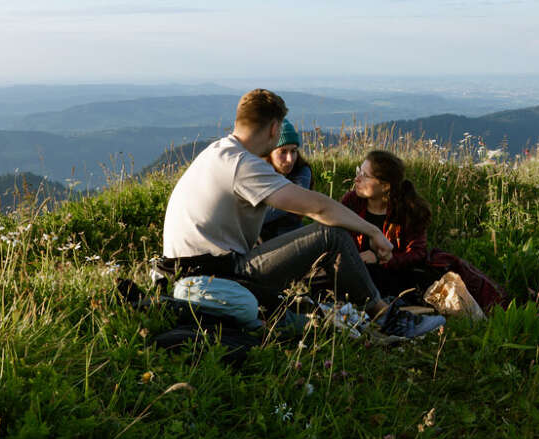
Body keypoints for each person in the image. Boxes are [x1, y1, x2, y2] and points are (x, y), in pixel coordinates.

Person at [160, 88, 444, 338]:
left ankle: (360, 307)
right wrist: (371, 231)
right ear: (274, 128)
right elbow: (317, 208)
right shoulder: (241, 164)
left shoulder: (217, 153)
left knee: (317, 242)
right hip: (218, 274)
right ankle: (387, 317)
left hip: (188, 271)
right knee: (330, 236)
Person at [341, 150, 432, 298]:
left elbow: (417, 253)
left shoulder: (405, 211)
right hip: (353, 272)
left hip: (393, 277)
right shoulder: (352, 202)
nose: (357, 179)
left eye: (364, 176)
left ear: (385, 186)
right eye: (359, 171)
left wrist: (381, 259)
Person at [260, 119, 310, 241]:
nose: (290, 159)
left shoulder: (302, 171)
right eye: (283, 152)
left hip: (292, 239)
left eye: (293, 151)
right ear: (269, 152)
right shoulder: (256, 173)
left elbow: (291, 201)